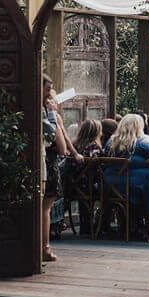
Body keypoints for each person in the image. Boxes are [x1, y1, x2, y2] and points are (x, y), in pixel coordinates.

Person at [42, 76, 82, 263]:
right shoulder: (50, 115)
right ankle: (44, 247)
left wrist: (75, 154)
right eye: (49, 93)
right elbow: (61, 146)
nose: (52, 99)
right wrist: (53, 115)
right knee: (45, 208)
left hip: (45, 161)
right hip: (48, 162)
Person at [102, 112, 149, 234]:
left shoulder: (111, 142)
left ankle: (129, 223)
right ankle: (147, 223)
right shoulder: (145, 143)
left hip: (111, 187)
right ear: (139, 126)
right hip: (135, 188)